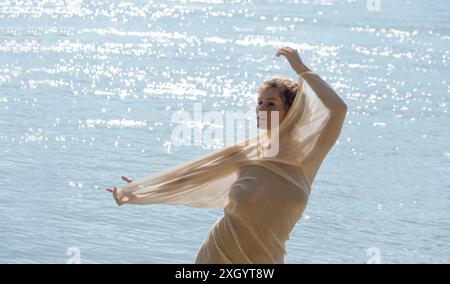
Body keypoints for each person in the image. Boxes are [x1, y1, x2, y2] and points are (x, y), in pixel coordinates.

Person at [106, 46, 347, 263]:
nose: (262, 109)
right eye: (259, 103)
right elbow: (191, 177)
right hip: (217, 256)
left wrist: (300, 68)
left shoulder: (308, 154)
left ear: (291, 111)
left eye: (271, 104)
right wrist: (139, 190)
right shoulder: (245, 153)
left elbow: (338, 108)